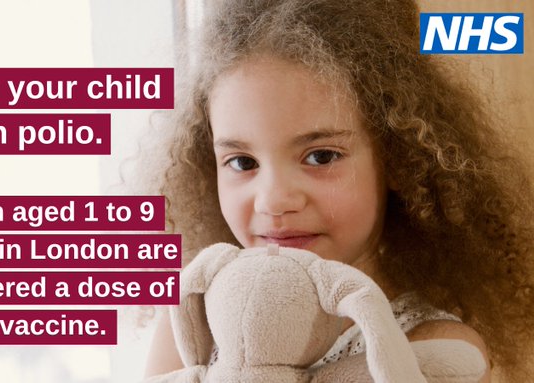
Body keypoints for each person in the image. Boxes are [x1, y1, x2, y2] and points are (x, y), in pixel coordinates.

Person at [140, 0, 534, 381]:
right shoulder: (192, 320)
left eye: (321, 156)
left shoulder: (433, 349)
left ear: (396, 158)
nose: (274, 200)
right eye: (243, 162)